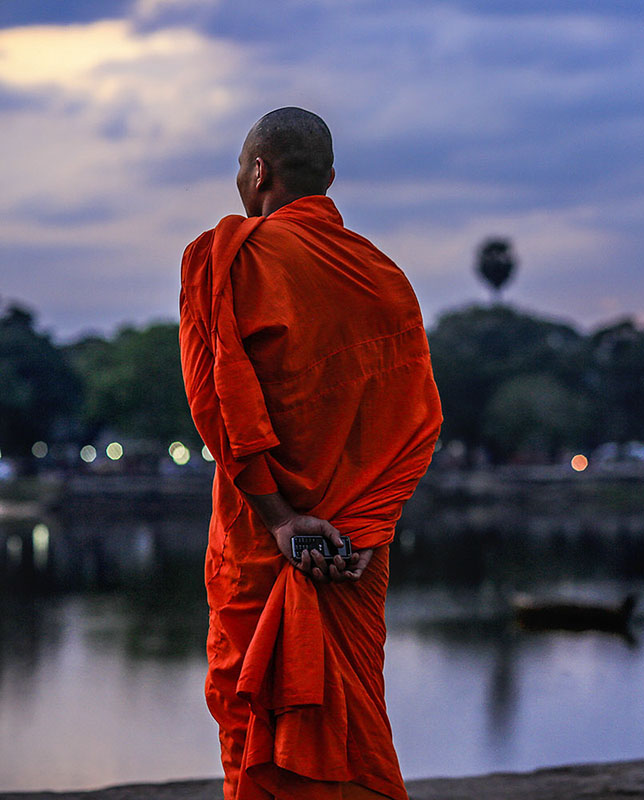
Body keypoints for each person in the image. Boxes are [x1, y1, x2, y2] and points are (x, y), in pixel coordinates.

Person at [179, 107, 442, 800]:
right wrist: (365, 526)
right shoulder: (384, 278)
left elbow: (219, 408)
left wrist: (278, 518)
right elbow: (417, 426)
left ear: (259, 170)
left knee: (257, 716)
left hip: (267, 542)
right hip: (354, 549)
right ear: (328, 179)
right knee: (352, 725)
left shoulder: (226, 258)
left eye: (241, 166)